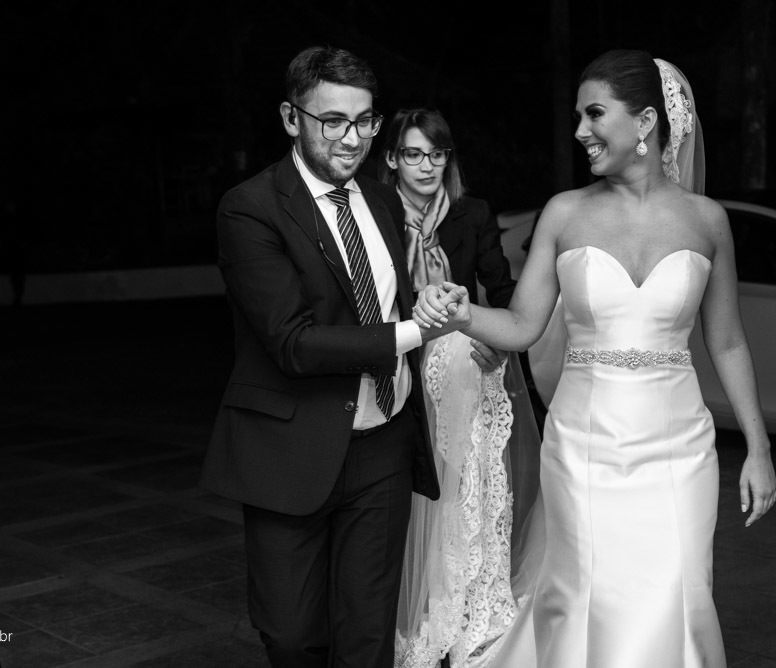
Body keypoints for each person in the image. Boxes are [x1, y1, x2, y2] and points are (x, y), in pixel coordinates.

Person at [416, 49, 776, 667]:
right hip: (582, 446)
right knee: (587, 591)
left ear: (645, 124)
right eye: (579, 115)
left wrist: (760, 451)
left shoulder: (708, 221)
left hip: (679, 449)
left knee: (678, 592)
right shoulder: (565, 212)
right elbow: (525, 325)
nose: (580, 131)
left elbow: (728, 341)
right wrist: (461, 313)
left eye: (594, 114)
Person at [199, 46, 466, 668]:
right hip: (292, 449)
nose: (354, 138)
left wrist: (420, 296)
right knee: (292, 635)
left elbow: (379, 297)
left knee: (369, 635)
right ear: (292, 119)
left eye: (366, 121)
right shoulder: (250, 207)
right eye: (334, 121)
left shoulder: (376, 199)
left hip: (384, 444)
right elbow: (292, 341)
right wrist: (413, 330)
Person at [381, 109, 543, 668]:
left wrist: (499, 341)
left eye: (437, 154)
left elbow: (501, 290)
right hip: (399, 368)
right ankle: (420, 605)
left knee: (467, 488)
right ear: (392, 159)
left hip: (463, 368)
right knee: (410, 491)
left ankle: (470, 601)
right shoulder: (376, 215)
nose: (427, 166)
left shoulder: (472, 213)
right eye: (413, 154)